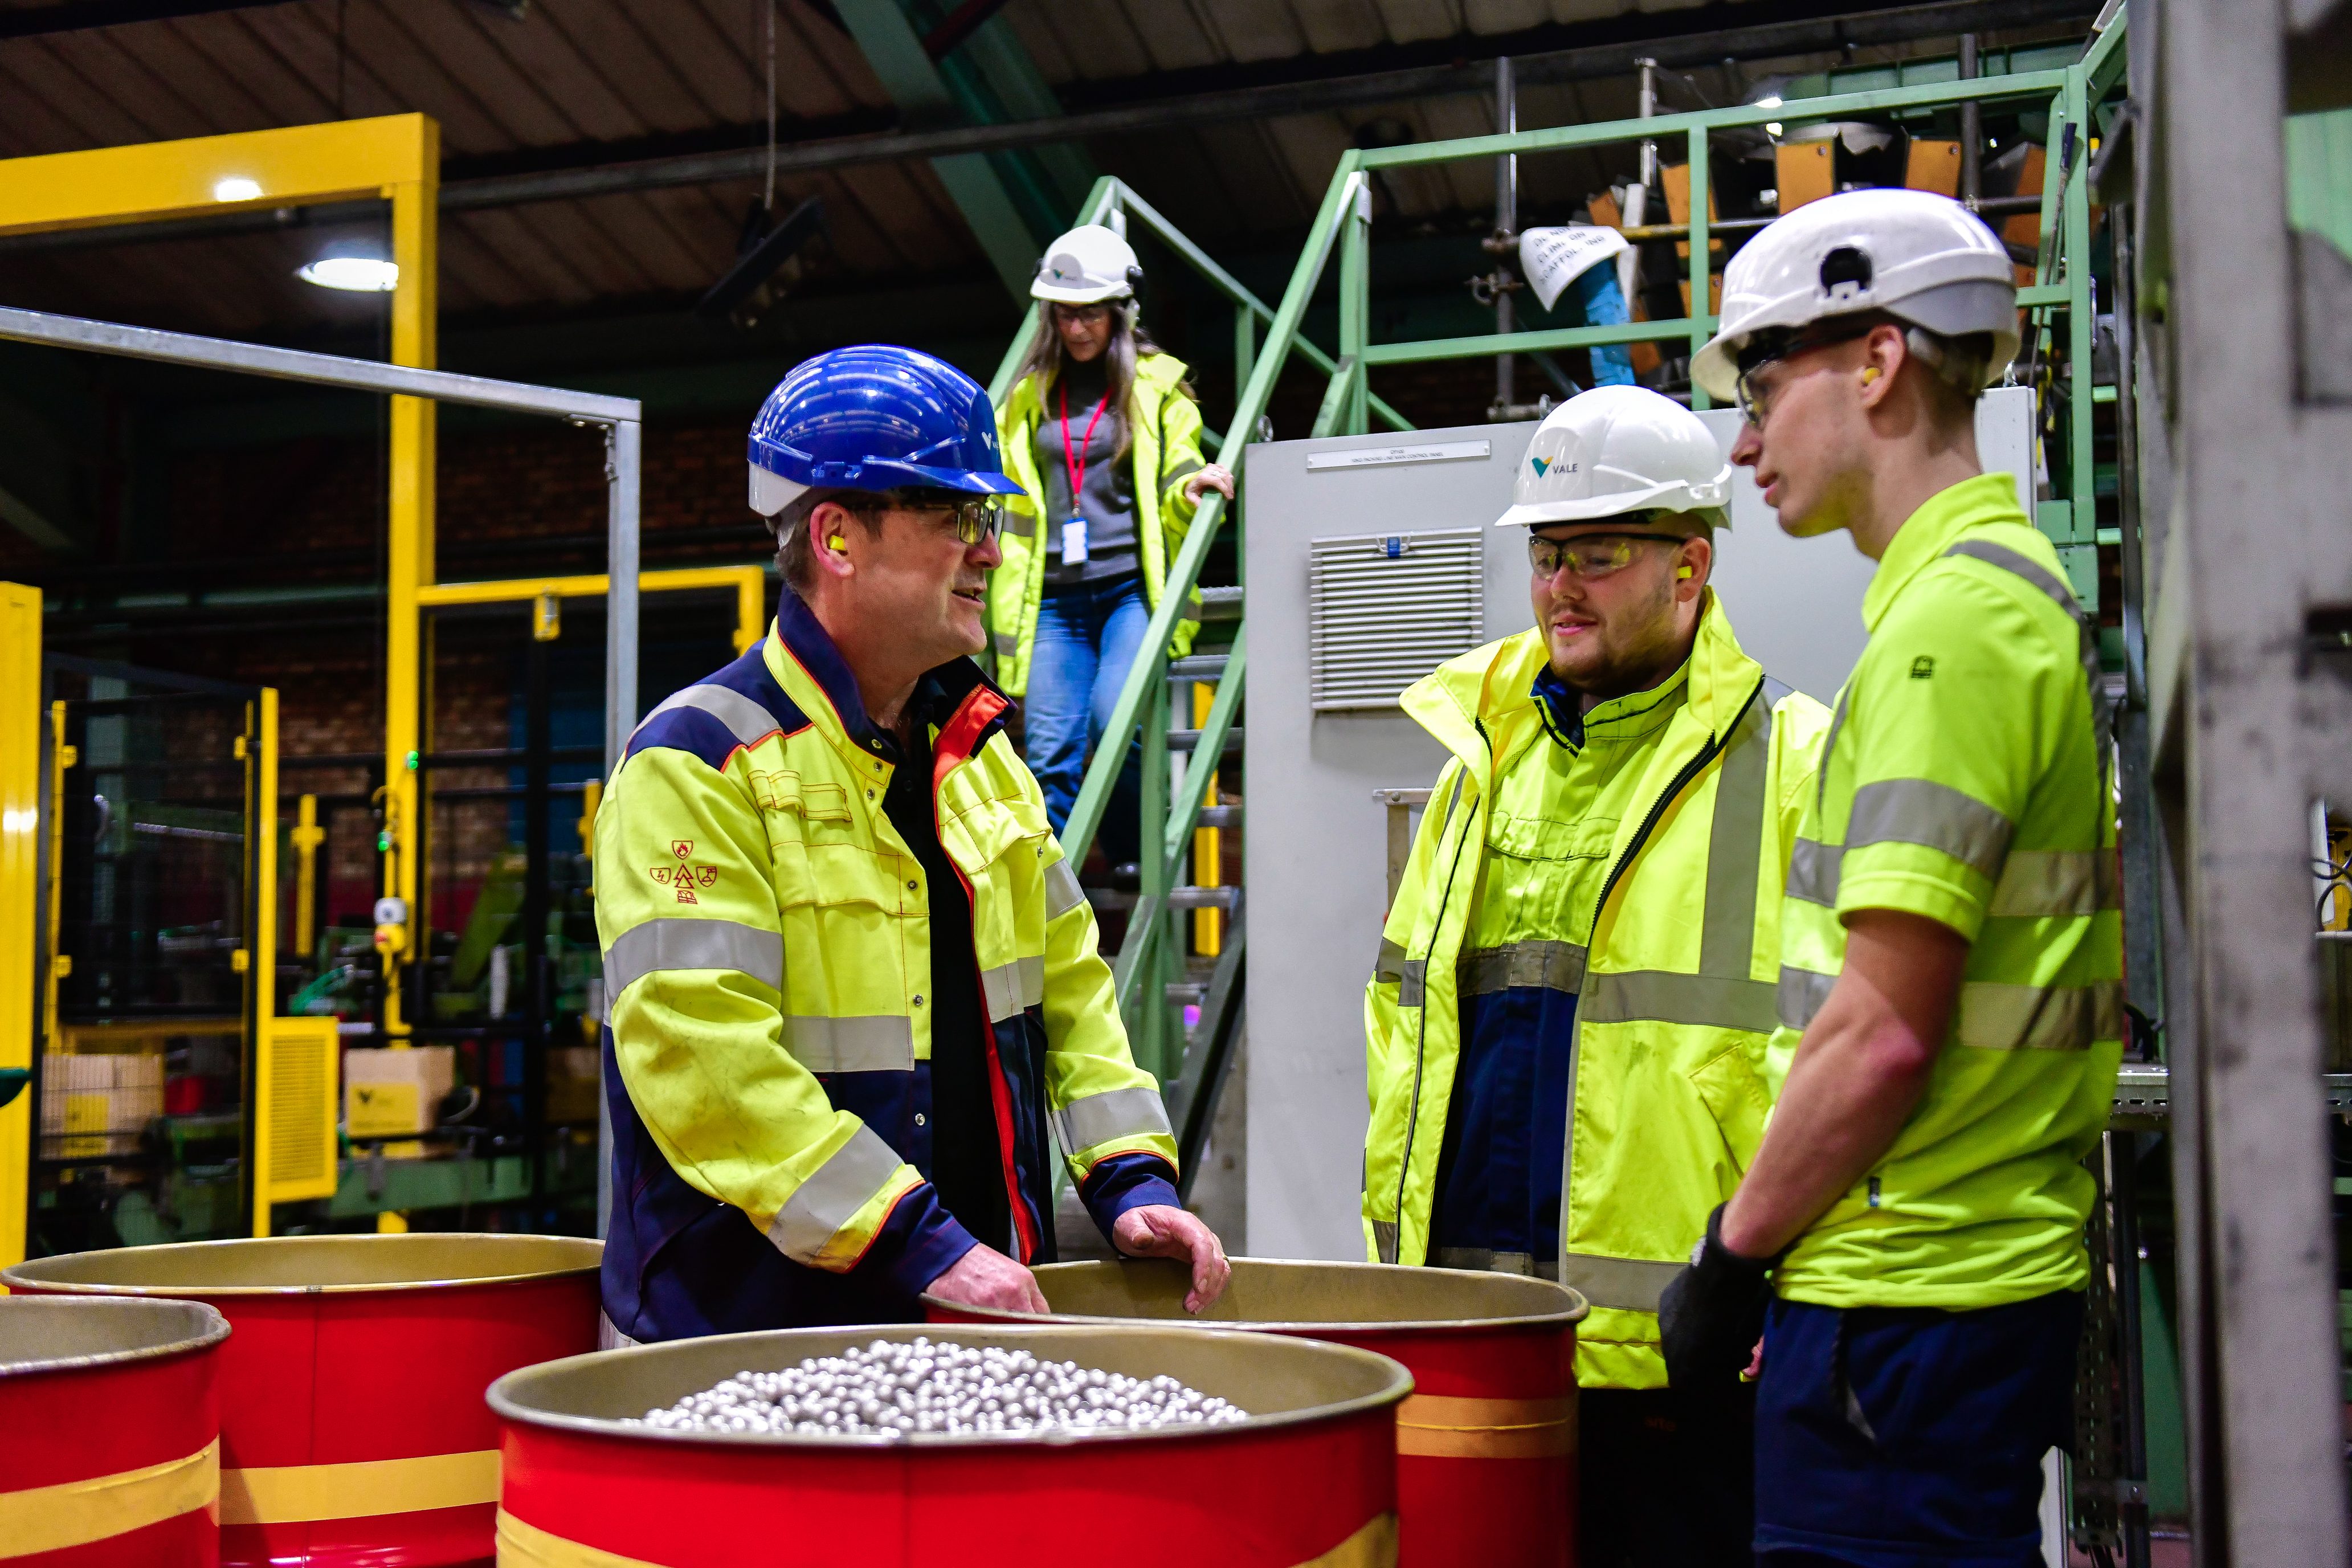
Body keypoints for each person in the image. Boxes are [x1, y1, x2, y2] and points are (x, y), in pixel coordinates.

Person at [1660, 188, 2123, 1567]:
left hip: (1904, 1304)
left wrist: (1730, 1262)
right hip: (1937, 1295)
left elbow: (1880, 1030)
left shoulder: (1949, 635)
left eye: (1760, 383)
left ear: (1873, 363)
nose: (1741, 440)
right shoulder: (1988, 603)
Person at [592, 344, 1231, 1344]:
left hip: (968, 1312)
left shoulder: (977, 758)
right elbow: (703, 1061)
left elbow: (1069, 987)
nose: (992, 551)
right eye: (954, 518)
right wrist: (917, 1243)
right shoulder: (699, 761)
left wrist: (1127, 1179)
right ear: (838, 538)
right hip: (757, 1338)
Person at [1363, 385, 1831, 1567]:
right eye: (1546, 553)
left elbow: (1827, 1044)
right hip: (1474, 1338)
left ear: (1692, 567)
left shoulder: (1791, 760)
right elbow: (1408, 1024)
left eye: (1599, 553)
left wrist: (1787, 1272)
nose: (1561, 584)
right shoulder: (1480, 766)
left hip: (1683, 1344)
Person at [986, 224, 1234, 867]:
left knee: (1113, 724)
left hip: (1128, 589)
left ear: (1122, 311)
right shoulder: (1024, 396)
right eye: (1064, 314)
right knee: (1047, 752)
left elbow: (1180, 462)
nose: (1076, 328)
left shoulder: (1156, 386)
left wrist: (1193, 485)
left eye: (1091, 313)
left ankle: (1129, 848)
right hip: (1053, 600)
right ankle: (1050, 897)